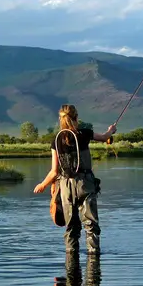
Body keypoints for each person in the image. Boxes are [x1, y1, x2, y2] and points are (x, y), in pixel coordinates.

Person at [33, 104, 116, 255]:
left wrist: (42, 185)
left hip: (65, 187)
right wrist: (111, 130)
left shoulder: (56, 140)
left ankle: (71, 257)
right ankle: (93, 255)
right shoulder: (84, 134)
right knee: (90, 224)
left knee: (71, 225)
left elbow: (54, 171)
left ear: (61, 120)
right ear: (76, 117)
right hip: (85, 184)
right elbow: (105, 138)